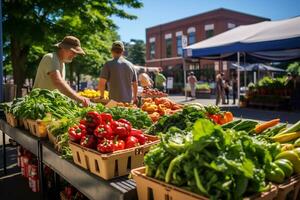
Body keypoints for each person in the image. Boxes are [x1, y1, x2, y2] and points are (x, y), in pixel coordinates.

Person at [33, 36, 89, 106]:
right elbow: (58, 82)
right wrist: (79, 98)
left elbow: (58, 89)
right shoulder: (51, 57)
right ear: (63, 48)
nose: (74, 55)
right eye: (73, 52)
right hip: (37, 105)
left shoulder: (62, 63)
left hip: (49, 105)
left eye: (76, 53)